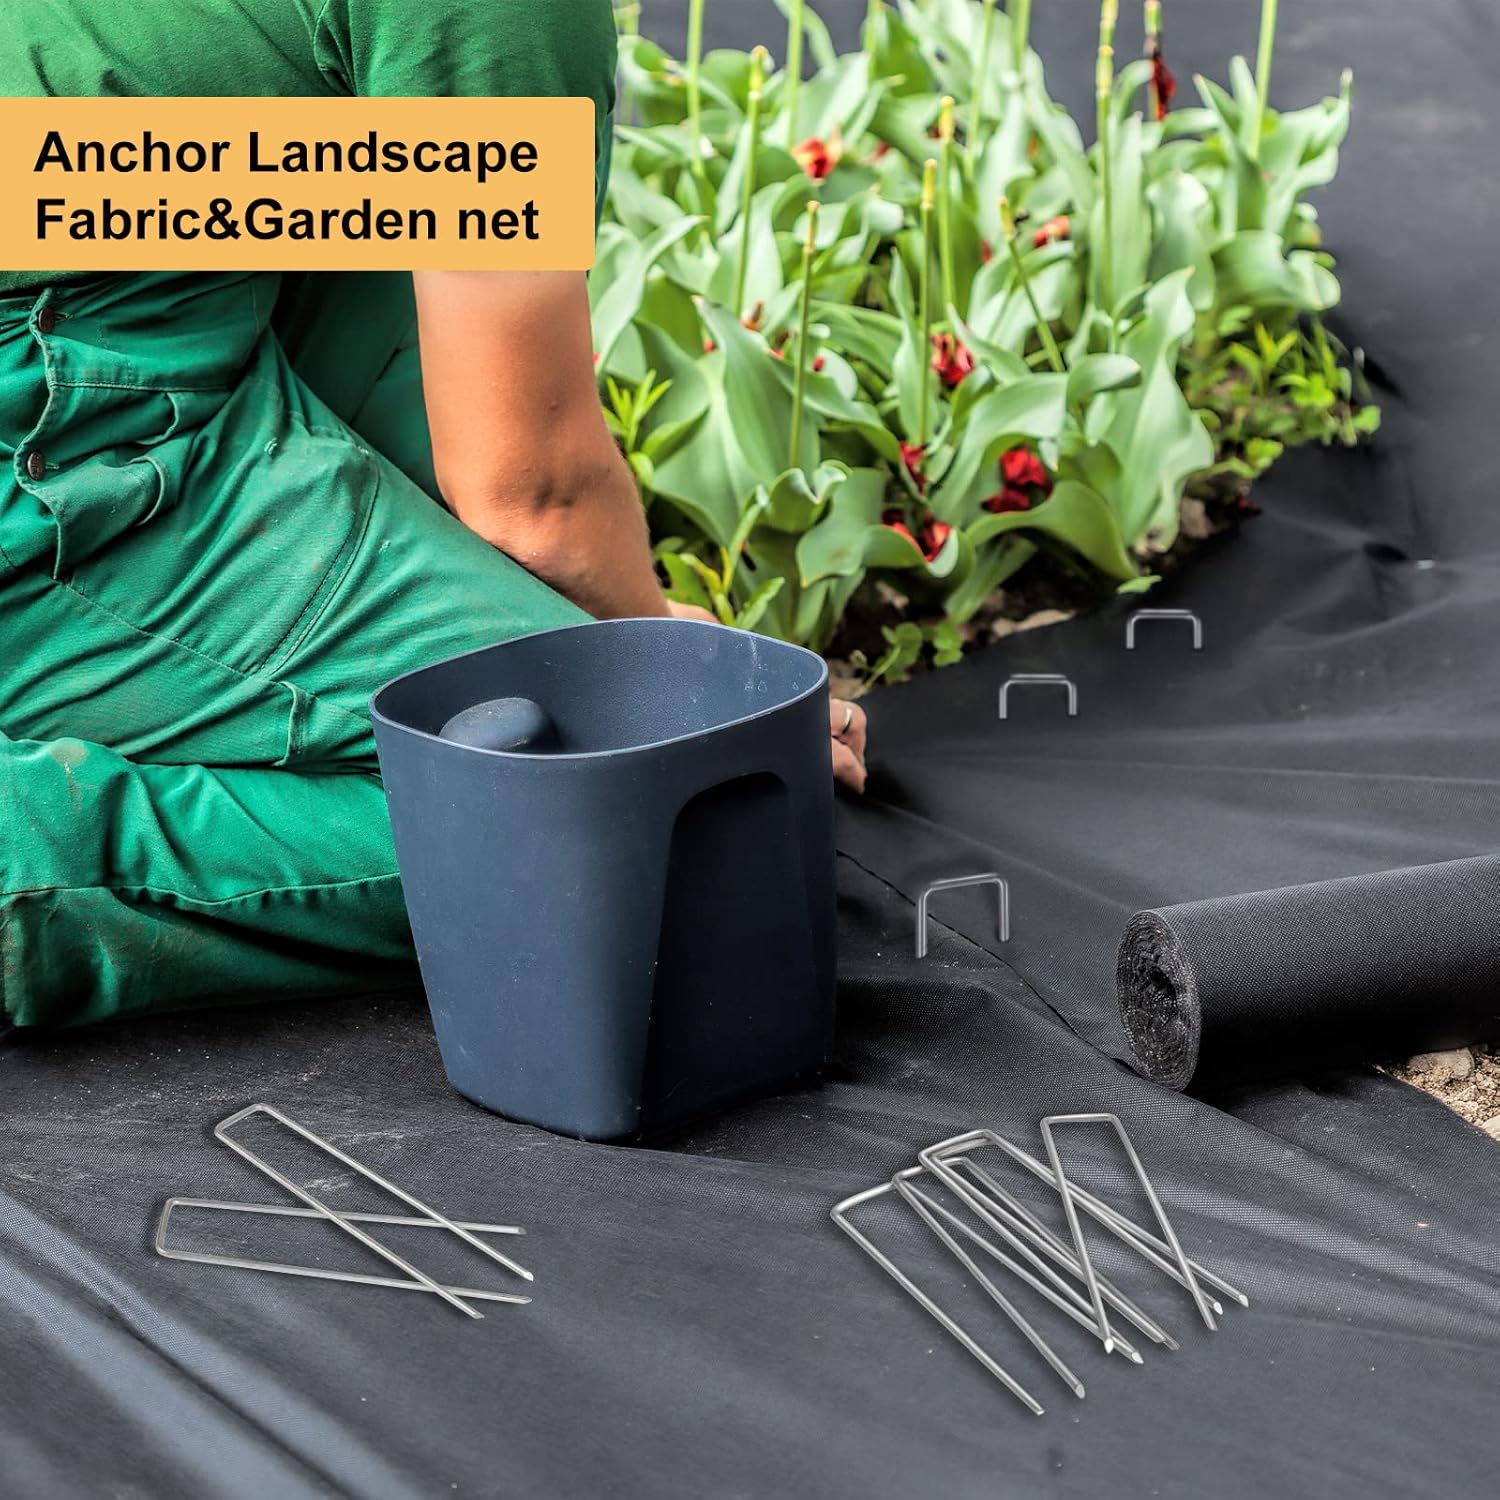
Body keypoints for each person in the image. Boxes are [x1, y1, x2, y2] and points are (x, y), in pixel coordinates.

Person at [0, 0, 868, 1031]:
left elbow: (165, 180)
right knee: (668, 837)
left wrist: (587, 625)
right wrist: (674, 683)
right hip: (55, 434)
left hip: (96, 267)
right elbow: (533, 498)